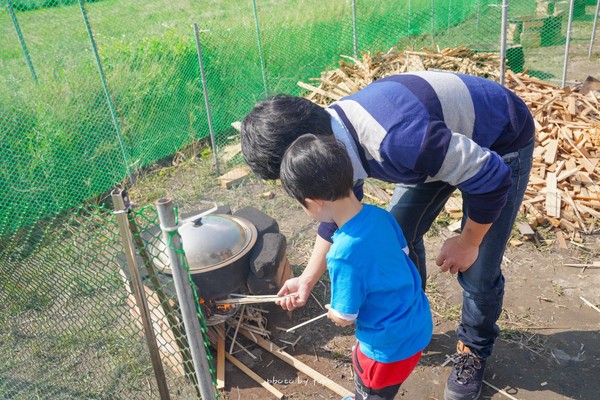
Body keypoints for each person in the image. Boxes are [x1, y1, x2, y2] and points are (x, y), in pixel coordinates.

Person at [240, 70, 535, 400]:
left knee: (478, 269)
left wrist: (468, 242)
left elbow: (492, 177)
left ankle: (473, 349)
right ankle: (406, 324)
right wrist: (307, 279)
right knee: (397, 233)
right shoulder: (331, 141)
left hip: (499, 139)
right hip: (438, 144)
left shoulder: (396, 139)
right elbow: (337, 215)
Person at [279, 133, 433, 400]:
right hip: (417, 323)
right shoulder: (381, 215)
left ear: (314, 203)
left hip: (384, 349)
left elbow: (344, 316)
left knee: (373, 391)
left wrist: (333, 313)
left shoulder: (342, 254)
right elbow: (403, 253)